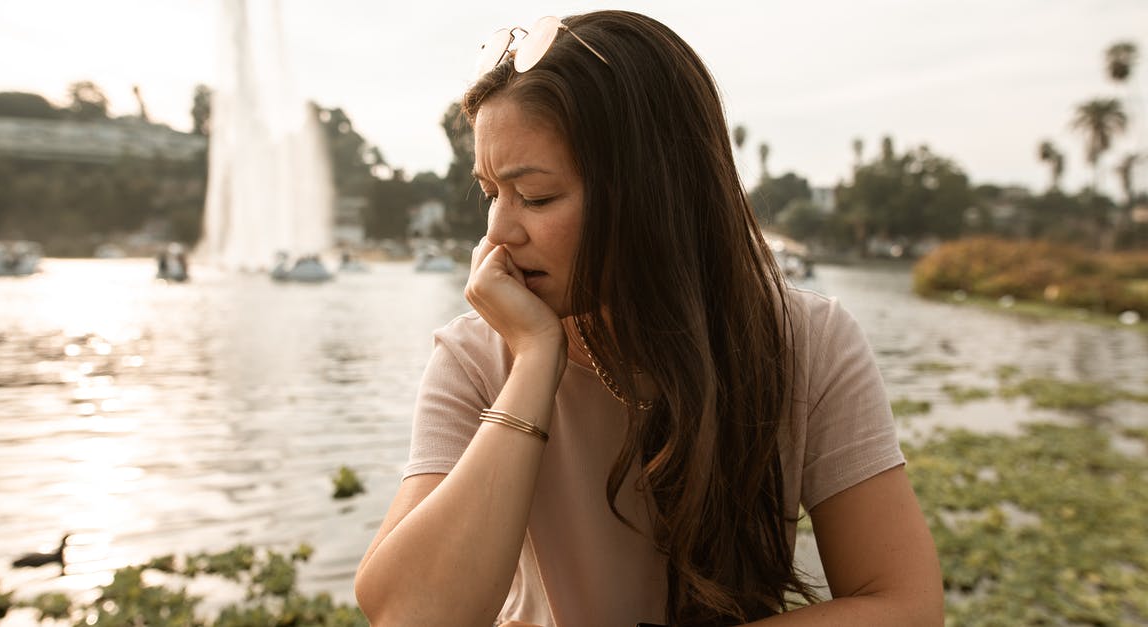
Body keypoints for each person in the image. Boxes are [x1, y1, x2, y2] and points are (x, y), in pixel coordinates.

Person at [355, 10, 942, 627]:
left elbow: (905, 605)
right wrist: (534, 361)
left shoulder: (804, 342)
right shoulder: (478, 355)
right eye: (491, 193)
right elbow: (407, 615)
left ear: (650, 193)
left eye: (535, 197)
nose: (497, 234)